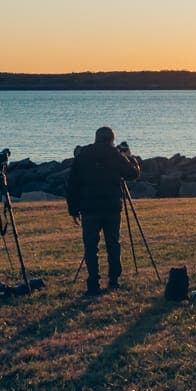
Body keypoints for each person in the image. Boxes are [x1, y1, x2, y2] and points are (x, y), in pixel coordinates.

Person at [66, 126, 142, 295]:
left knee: (90, 246)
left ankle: (93, 283)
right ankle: (114, 280)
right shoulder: (115, 155)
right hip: (111, 207)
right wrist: (130, 157)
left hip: (89, 208)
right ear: (112, 140)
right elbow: (132, 174)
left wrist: (73, 210)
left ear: (96, 138)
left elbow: (72, 184)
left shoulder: (83, 155)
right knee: (113, 243)